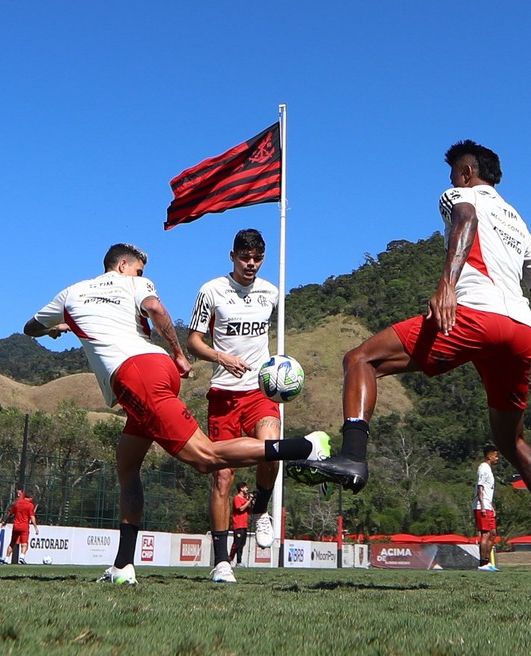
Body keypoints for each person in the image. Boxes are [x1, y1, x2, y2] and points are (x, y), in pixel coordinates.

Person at [288, 140, 531, 593]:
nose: (451, 180)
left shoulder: (461, 197)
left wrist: (446, 285)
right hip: (519, 332)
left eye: (455, 172)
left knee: (360, 359)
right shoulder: (519, 223)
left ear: (469, 172)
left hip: (474, 315)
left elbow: (465, 222)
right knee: (510, 442)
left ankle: (353, 456)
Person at [23, 243, 331, 585]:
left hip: (136, 378)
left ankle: (305, 448)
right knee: (126, 462)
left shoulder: (71, 293)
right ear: (123, 265)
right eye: (139, 269)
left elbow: (30, 328)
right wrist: (177, 355)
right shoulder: (135, 284)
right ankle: (123, 565)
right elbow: (152, 308)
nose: (141, 274)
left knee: (205, 457)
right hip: (155, 368)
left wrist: (54, 327)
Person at [186, 228, 280, 583]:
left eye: (257, 258)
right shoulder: (211, 291)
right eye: (245, 257)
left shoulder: (270, 292)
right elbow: (193, 340)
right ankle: (222, 561)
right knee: (222, 479)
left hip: (259, 391)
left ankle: (261, 508)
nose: (251, 264)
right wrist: (220, 356)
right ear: (232, 256)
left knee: (271, 448)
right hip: (224, 394)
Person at [474, 446, 500, 572]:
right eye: (495, 456)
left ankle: (488, 561)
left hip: (488, 505)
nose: (497, 458)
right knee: (485, 534)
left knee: (492, 533)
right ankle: (482, 562)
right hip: (482, 506)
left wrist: (491, 506)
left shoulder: (489, 469)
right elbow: (480, 488)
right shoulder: (483, 468)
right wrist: (483, 506)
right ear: (489, 456)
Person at [0, 489, 39, 564]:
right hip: (24, 526)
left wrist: (5, 522)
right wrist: (35, 527)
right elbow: (32, 517)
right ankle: (22, 557)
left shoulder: (17, 503)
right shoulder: (30, 505)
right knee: (24, 543)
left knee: (12, 543)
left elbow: (10, 514)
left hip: (16, 526)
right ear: (30, 497)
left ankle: (6, 559)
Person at [227, 482, 253, 568]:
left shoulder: (245, 500)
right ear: (241, 488)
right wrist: (248, 501)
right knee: (236, 543)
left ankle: (239, 561)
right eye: (245, 487)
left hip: (244, 525)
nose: (247, 489)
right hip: (238, 525)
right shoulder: (236, 498)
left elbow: (249, 511)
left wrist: (251, 502)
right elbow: (241, 509)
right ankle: (229, 559)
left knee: (242, 544)